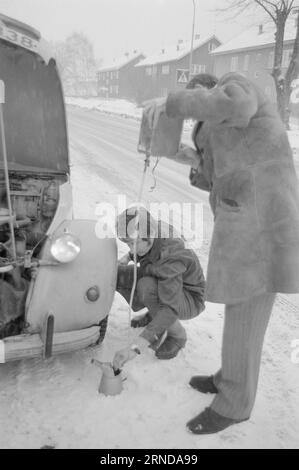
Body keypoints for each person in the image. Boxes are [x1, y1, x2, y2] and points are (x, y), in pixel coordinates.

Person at [144, 72, 299, 435]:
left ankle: (234, 404)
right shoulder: (227, 127)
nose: (196, 106)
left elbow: (234, 104)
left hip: (266, 222)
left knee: (246, 309)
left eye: (197, 97)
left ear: (208, 89)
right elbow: (211, 171)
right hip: (248, 224)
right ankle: (230, 377)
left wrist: (173, 101)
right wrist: (178, 153)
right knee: (239, 309)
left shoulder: (239, 88)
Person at [113, 206, 205, 366]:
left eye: (132, 244)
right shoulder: (153, 228)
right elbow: (141, 248)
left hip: (189, 297)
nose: (131, 248)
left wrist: (134, 349)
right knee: (119, 274)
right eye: (127, 244)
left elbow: (170, 308)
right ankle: (155, 315)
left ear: (148, 237)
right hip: (167, 280)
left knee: (146, 287)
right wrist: (127, 257)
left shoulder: (170, 257)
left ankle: (178, 336)